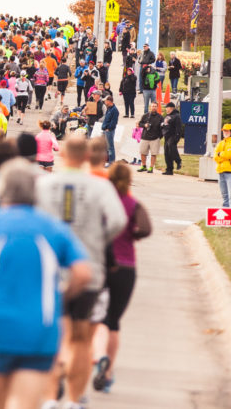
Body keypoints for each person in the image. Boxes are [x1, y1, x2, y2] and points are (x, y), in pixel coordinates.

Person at [0, 159, 91, 409]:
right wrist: (62, 296)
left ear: (0, 191)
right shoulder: (53, 228)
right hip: (40, 329)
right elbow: (83, 273)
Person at [34, 135, 127, 409]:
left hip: (52, 270)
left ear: (61, 154)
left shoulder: (44, 184)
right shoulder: (100, 187)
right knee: (82, 337)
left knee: (53, 334)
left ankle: (51, 397)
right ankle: (74, 400)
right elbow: (118, 220)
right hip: (89, 268)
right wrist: (99, 238)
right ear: (87, 157)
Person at [91, 161, 152, 393]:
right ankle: (107, 372)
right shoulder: (133, 204)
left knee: (97, 318)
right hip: (126, 266)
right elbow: (146, 228)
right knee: (114, 321)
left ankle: (97, 355)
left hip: (102, 264)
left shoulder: (102, 204)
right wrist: (131, 237)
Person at [213, 123, 231, 209]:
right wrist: (221, 155)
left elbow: (229, 154)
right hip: (221, 172)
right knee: (225, 196)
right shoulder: (220, 143)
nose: (225, 132)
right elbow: (215, 157)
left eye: (227, 131)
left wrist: (220, 154)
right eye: (224, 131)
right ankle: (226, 214)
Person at [136, 104, 163, 173]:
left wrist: (159, 136)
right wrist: (144, 125)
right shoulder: (145, 115)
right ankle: (144, 166)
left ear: (157, 107)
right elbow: (139, 124)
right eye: (152, 106)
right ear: (150, 107)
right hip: (145, 137)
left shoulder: (160, 117)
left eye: (155, 106)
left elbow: (162, 128)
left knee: (154, 153)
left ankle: (151, 167)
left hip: (155, 138)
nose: (153, 107)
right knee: (142, 152)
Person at [160, 102, 183, 175]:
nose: (166, 109)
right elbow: (164, 125)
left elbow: (178, 128)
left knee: (171, 148)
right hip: (166, 136)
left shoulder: (176, 116)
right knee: (167, 153)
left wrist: (177, 137)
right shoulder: (167, 116)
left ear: (172, 108)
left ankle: (178, 161)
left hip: (173, 135)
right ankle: (169, 170)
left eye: (167, 108)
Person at [102, 95, 119, 164]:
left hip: (109, 131)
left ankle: (111, 162)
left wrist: (108, 128)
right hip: (105, 129)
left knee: (110, 146)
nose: (104, 102)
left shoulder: (114, 110)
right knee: (106, 146)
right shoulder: (109, 108)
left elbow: (114, 122)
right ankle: (108, 160)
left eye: (105, 101)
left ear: (109, 101)